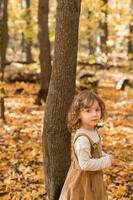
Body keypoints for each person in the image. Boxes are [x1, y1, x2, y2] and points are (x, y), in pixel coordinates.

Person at [59, 90, 118, 200]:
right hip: (83, 182)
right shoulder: (82, 139)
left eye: (97, 110)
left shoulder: (93, 131)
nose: (94, 114)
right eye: (88, 111)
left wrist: (105, 156)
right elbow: (85, 164)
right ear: (78, 114)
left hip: (93, 180)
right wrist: (107, 161)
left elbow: (95, 152)